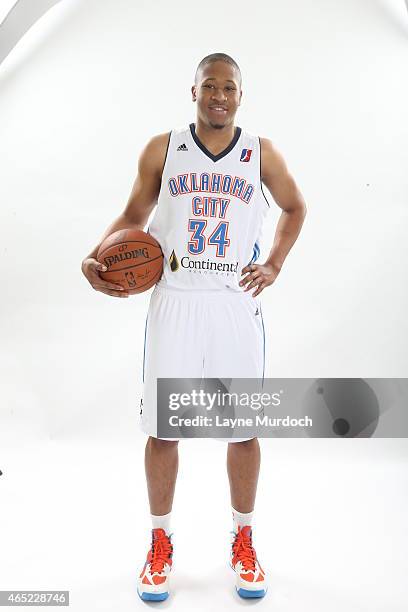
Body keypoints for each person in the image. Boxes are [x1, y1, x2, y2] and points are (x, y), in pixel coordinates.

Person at [81, 52, 307, 602]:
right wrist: (94, 258)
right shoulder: (164, 148)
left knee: (243, 429)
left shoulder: (261, 153)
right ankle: (160, 543)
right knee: (164, 429)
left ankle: (244, 538)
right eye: (210, 85)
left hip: (234, 302)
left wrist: (274, 263)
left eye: (229, 87)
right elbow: (134, 216)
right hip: (176, 299)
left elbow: (295, 208)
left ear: (239, 96)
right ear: (195, 92)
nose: (219, 96)